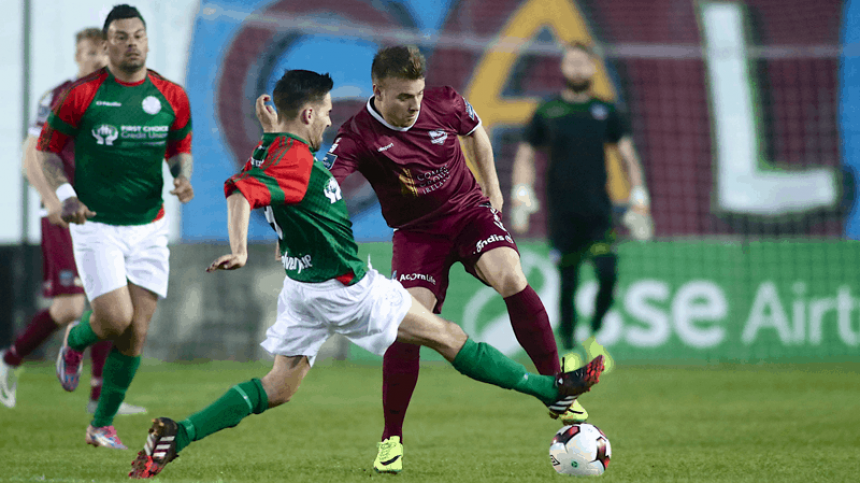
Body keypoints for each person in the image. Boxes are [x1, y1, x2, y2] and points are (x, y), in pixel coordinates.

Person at [127, 70, 604, 479]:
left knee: (278, 387)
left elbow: (263, 179)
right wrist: (239, 249)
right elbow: (240, 193)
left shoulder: (273, 149)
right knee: (449, 336)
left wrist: (272, 133)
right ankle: (551, 388)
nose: (333, 119)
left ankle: (179, 433)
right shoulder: (292, 162)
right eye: (327, 111)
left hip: (303, 290)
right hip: (347, 289)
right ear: (308, 114)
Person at [313, 45, 579, 473]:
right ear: (378, 90)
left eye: (417, 93)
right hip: (417, 236)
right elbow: (325, 185)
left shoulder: (446, 101)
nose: (414, 104)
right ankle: (391, 438)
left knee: (510, 275)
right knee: (407, 323)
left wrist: (492, 189)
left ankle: (558, 388)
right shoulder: (357, 134)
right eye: (403, 97)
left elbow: (476, 133)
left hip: (468, 213)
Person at [35, 4, 193, 449]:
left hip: (149, 226)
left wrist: (182, 177)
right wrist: (65, 197)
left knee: (136, 331)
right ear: (106, 46)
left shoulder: (171, 94)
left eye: (138, 35)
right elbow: (47, 149)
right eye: (121, 37)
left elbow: (180, 145)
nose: (132, 44)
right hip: (96, 224)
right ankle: (76, 339)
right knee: (115, 318)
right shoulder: (82, 94)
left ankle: (100, 425)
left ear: (147, 40)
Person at [0, 27, 145, 416]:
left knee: (106, 296)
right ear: (76, 56)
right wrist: (52, 199)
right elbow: (31, 152)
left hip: (104, 214)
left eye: (102, 52)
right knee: (69, 308)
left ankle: (99, 397)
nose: (96, 59)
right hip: (67, 212)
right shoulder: (59, 96)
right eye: (88, 53)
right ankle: (9, 360)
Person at [510, 42, 653, 372]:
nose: (576, 68)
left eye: (582, 63)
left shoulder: (606, 111)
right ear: (563, 68)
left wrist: (639, 198)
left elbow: (627, 156)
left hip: (598, 210)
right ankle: (571, 346)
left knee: (607, 274)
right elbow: (526, 154)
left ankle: (596, 334)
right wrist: (521, 191)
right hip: (561, 211)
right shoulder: (548, 111)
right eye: (570, 62)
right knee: (568, 281)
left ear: (592, 68)